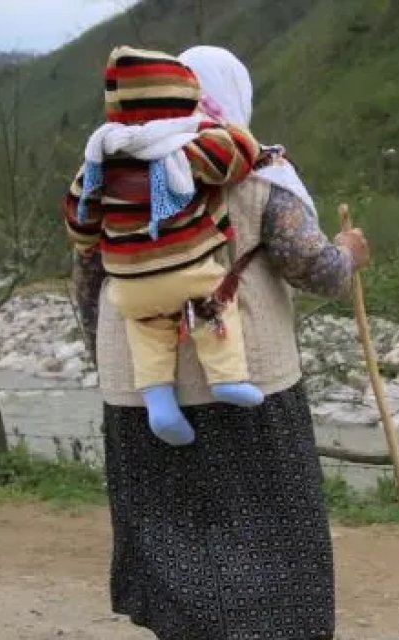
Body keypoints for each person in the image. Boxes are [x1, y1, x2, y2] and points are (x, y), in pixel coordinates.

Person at [70, 45, 370, 640]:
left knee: (171, 537)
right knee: (267, 541)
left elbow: (85, 281)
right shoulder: (256, 175)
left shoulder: (110, 178)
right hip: (247, 389)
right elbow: (320, 272)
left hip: (140, 393)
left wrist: (112, 359)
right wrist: (352, 252)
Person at [64, 46, 266, 447]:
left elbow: (79, 220)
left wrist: (91, 241)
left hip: (130, 281)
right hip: (188, 272)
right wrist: (231, 131)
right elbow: (238, 155)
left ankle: (159, 402)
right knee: (214, 306)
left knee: (145, 327)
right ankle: (227, 379)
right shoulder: (182, 150)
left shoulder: (98, 160)